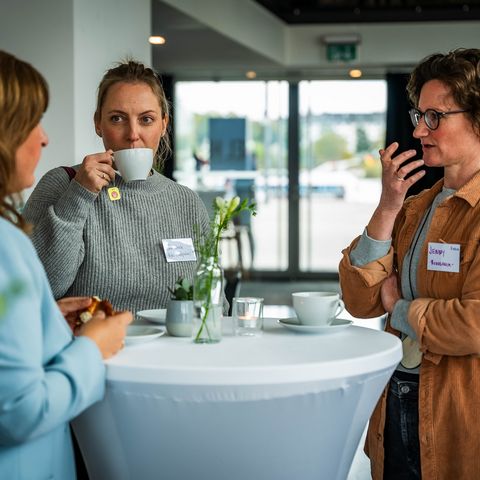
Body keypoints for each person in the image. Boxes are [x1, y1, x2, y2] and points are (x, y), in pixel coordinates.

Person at [339, 48, 480, 480]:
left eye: (435, 116)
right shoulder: (415, 207)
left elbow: (474, 323)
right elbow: (359, 301)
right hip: (398, 397)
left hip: (458, 414)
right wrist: (387, 207)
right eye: (419, 114)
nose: (419, 128)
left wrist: (400, 308)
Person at [0, 51, 132, 479]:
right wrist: (92, 347)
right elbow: (21, 411)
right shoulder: (7, 241)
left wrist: (44, 320)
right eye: (30, 123)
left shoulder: (182, 198)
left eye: (147, 119)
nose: (43, 138)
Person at [23, 60, 211, 313]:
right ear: (98, 123)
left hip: (174, 350)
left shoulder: (185, 202)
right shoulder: (62, 185)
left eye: (146, 119)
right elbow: (40, 288)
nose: (133, 134)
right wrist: (80, 194)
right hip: (92, 350)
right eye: (117, 118)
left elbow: (211, 297)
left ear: (164, 124)